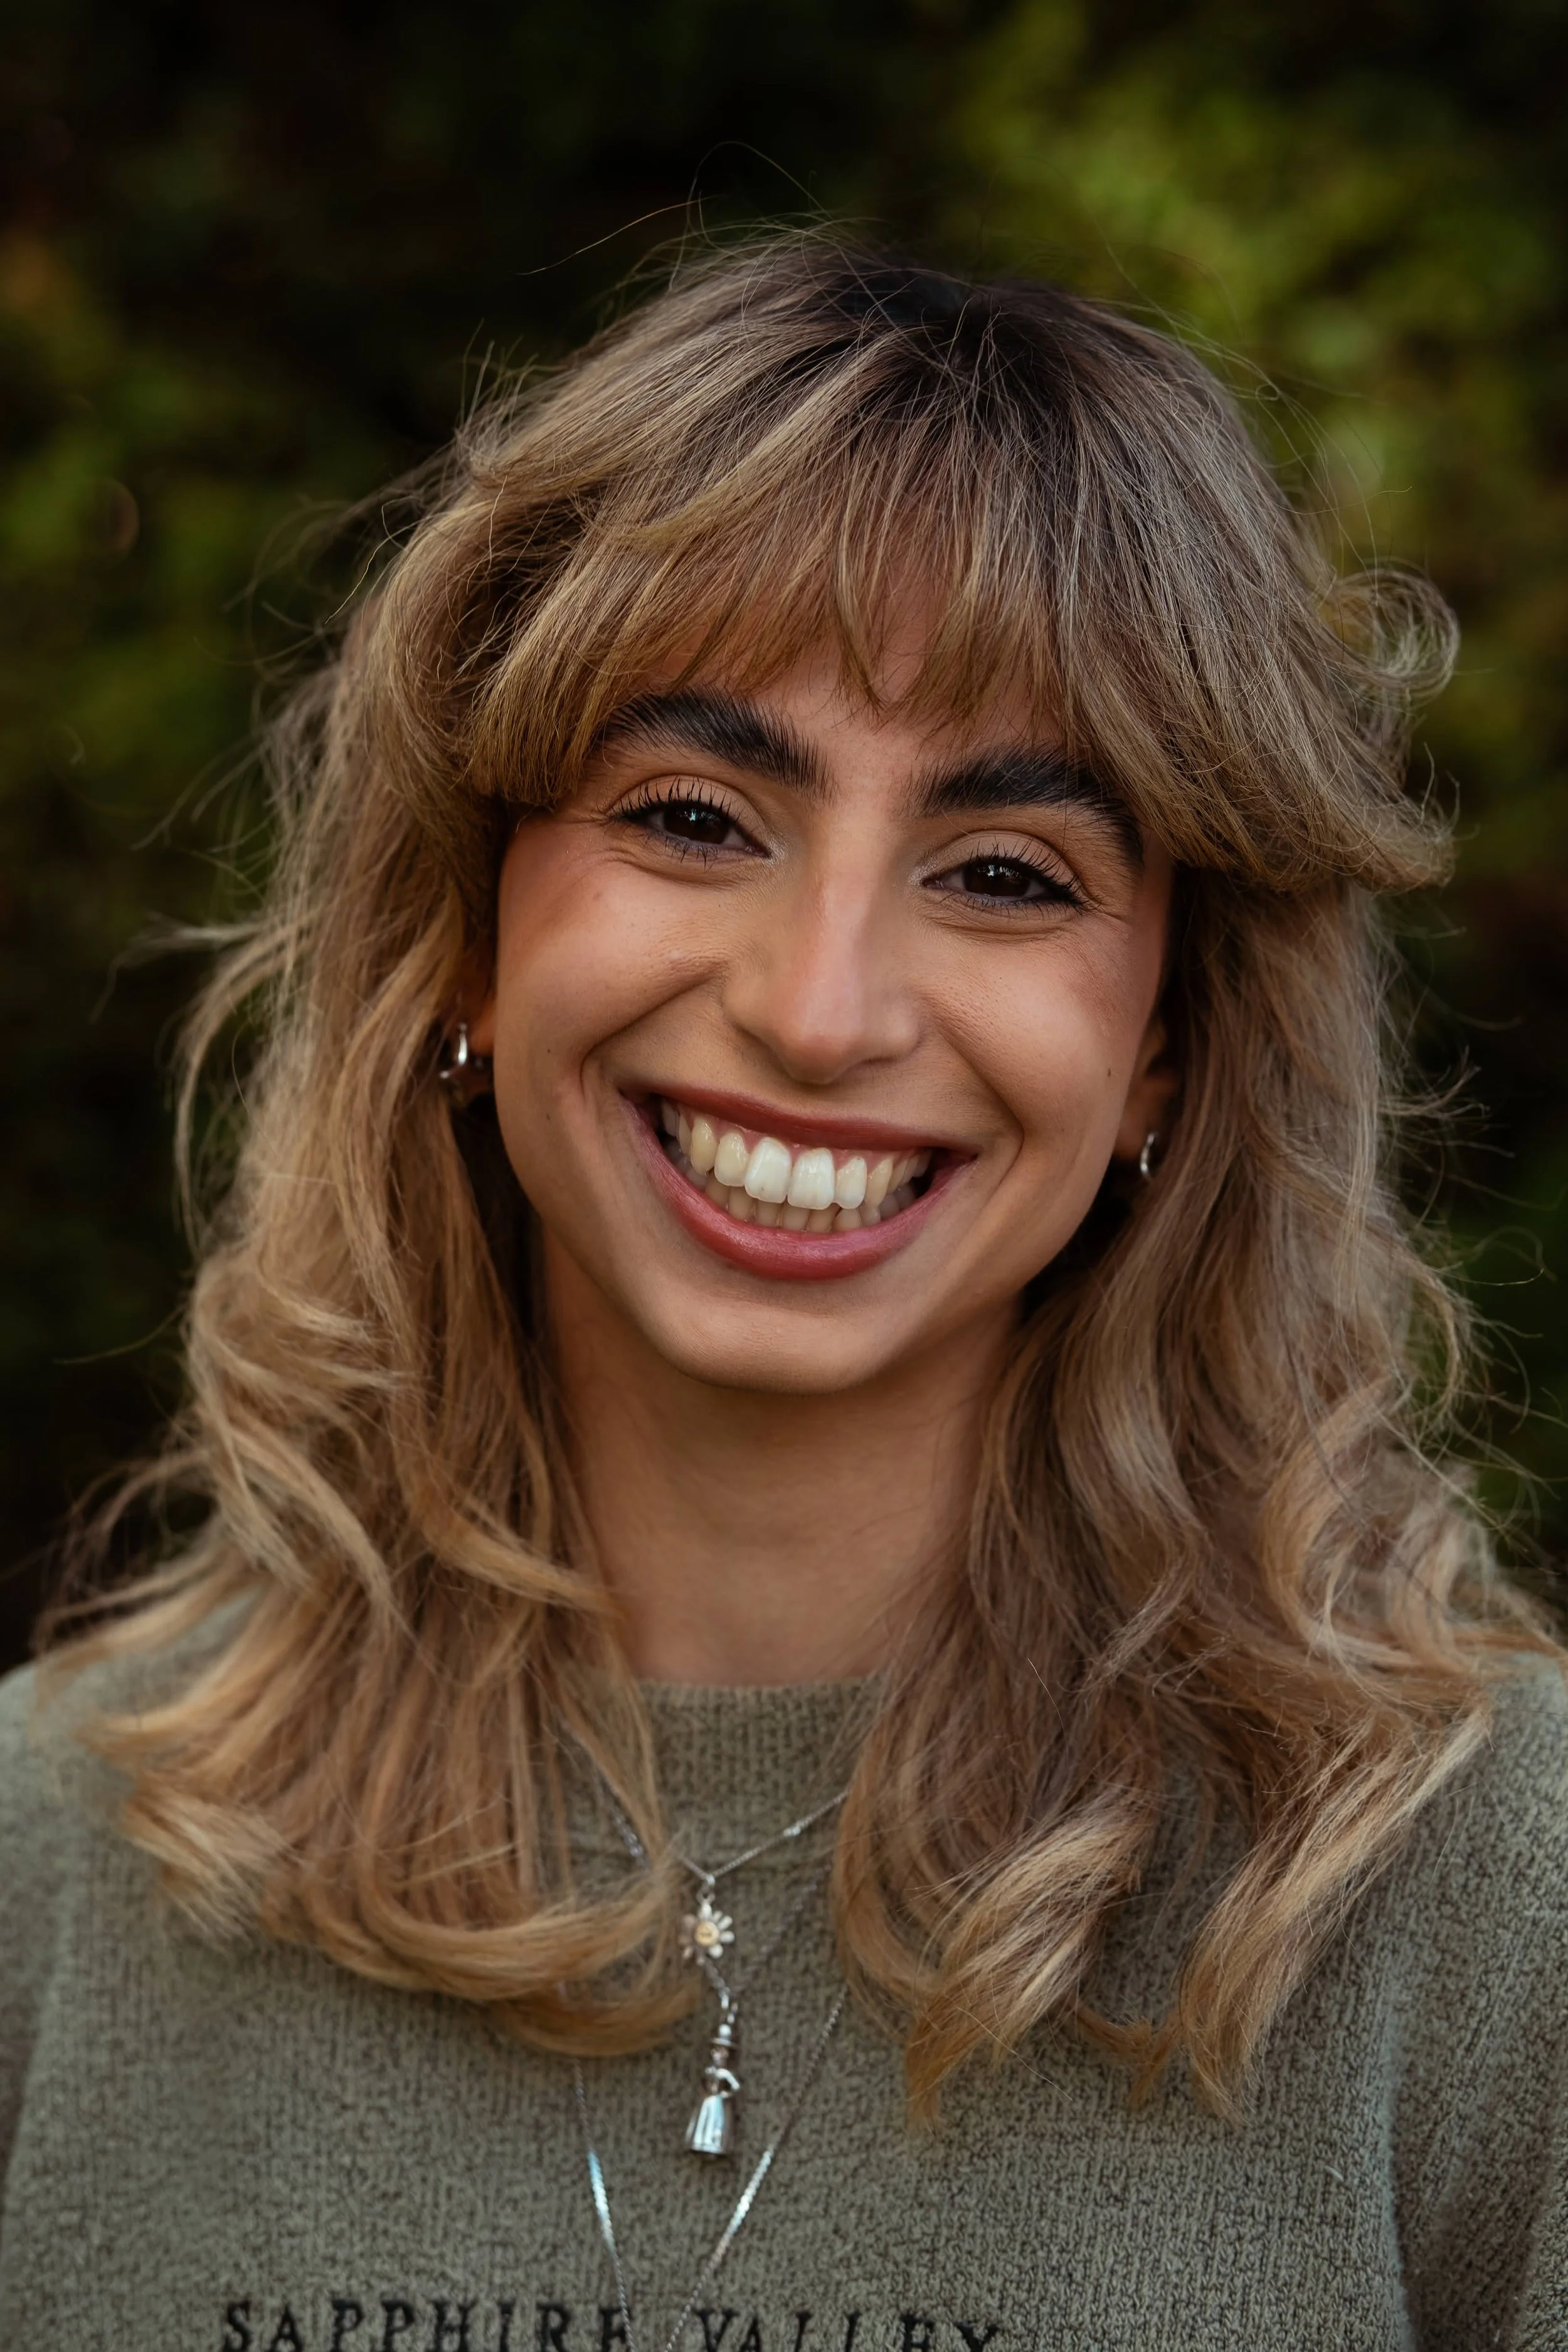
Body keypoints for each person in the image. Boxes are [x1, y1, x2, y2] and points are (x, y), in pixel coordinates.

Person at [1, 233, 1564, 2352]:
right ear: (469, 931)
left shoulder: (1484, 1902)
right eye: (691, 815)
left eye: (1003, 871)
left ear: (1162, 1053)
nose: (819, 1010)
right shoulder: (53, 1857)